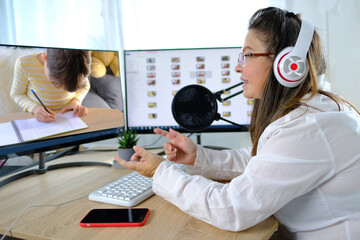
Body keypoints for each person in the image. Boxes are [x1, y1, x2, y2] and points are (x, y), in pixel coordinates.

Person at [116, 7, 360, 239]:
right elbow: (264, 161)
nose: (237, 66)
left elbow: (231, 209)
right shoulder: (311, 111)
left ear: (288, 64)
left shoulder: (309, 128)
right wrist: (199, 157)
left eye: (248, 55)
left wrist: (160, 171)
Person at [10, 49, 91, 122]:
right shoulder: (24, 63)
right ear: (44, 58)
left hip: (68, 117)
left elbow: (85, 86)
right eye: (54, 82)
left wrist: (76, 101)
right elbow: (16, 94)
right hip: (36, 117)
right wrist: (34, 108)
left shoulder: (76, 66)